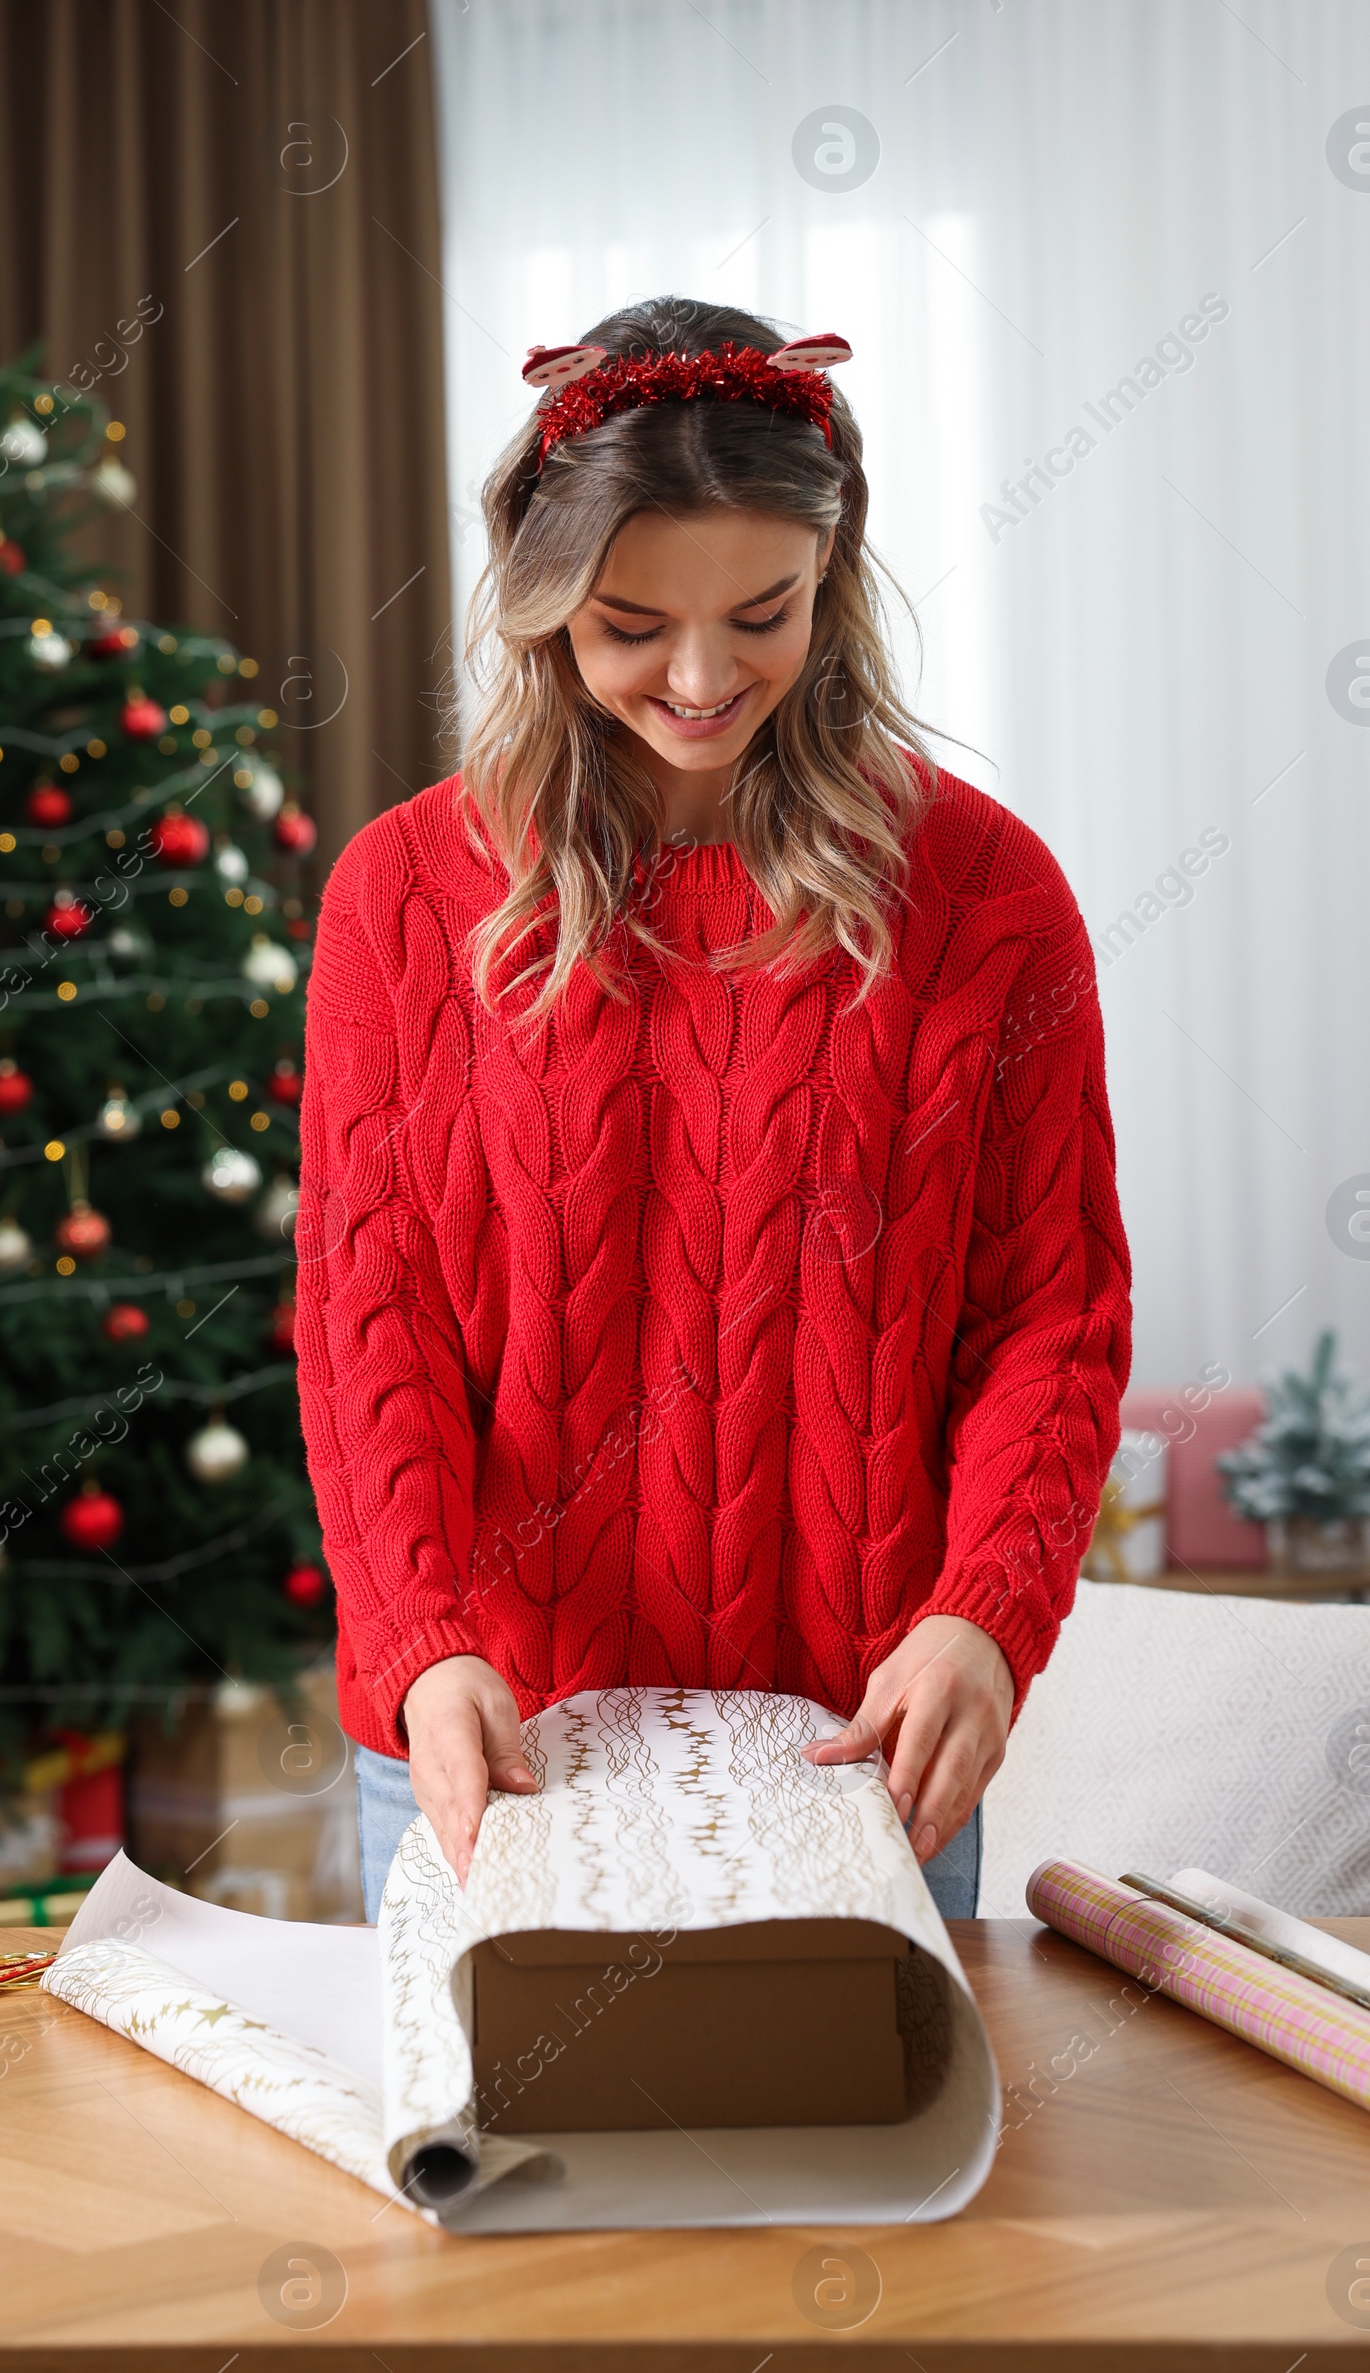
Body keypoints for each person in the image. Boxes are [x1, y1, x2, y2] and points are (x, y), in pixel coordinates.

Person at [293, 296, 1132, 1924]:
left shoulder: (988, 893)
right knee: (497, 2171)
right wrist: (419, 1636)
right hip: (493, 1725)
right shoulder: (400, 897)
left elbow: (1054, 1310)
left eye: (764, 613)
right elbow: (362, 1314)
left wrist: (986, 1611)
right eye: (626, 626)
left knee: (875, 2173)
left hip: (858, 1744)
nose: (699, 677)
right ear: (540, 605)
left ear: (834, 575)